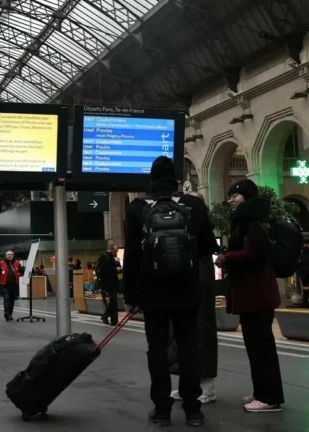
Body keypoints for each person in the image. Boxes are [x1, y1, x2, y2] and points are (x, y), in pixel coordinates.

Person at [123, 156, 218, 427]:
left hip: (152, 291)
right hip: (187, 289)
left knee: (157, 347)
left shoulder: (137, 208)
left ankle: (162, 409)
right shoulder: (194, 205)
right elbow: (207, 248)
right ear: (177, 179)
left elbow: (131, 255)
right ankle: (193, 409)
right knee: (189, 346)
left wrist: (130, 295)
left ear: (151, 180)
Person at [215, 179, 284, 413]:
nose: (230, 200)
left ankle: (269, 397)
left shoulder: (250, 219)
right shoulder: (251, 218)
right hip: (253, 293)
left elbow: (255, 252)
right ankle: (261, 393)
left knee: (261, 348)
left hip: (256, 293)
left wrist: (227, 258)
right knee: (256, 347)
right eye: (230, 195)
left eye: (235, 195)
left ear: (246, 196)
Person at [168, 191, 219, 404]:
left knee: (201, 328)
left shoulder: (199, 225)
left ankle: (206, 386)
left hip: (197, 273)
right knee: (181, 331)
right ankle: (188, 384)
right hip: (186, 272)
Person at [96, 242, 122, 326]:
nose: (116, 253)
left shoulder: (109, 256)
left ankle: (113, 321)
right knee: (113, 301)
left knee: (113, 301)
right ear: (111, 249)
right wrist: (115, 269)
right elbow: (104, 270)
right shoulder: (104, 256)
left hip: (112, 282)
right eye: (115, 251)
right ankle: (107, 316)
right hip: (108, 282)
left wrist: (119, 270)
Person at [0, 250, 22, 321]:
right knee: (7, 298)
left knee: (12, 301)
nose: (9, 255)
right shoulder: (1, 263)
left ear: (13, 255)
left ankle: (10, 314)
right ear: (6, 255)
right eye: (8, 254)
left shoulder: (17, 263)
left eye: (11, 254)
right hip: (4, 285)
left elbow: (21, 271)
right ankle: (6, 312)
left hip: (14, 286)